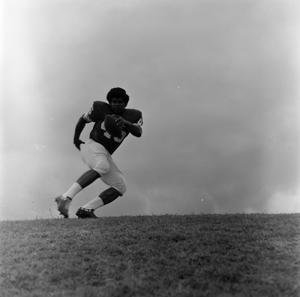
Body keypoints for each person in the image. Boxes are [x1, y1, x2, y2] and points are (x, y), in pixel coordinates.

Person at [55, 87, 143, 218]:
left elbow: (138, 132)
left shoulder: (133, 115)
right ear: (109, 102)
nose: (117, 104)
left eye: (120, 102)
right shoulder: (100, 109)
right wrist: (76, 139)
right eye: (114, 101)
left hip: (105, 153)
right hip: (92, 146)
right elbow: (82, 119)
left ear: (125, 104)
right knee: (103, 166)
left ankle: (86, 209)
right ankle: (65, 197)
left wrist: (125, 122)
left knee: (120, 186)